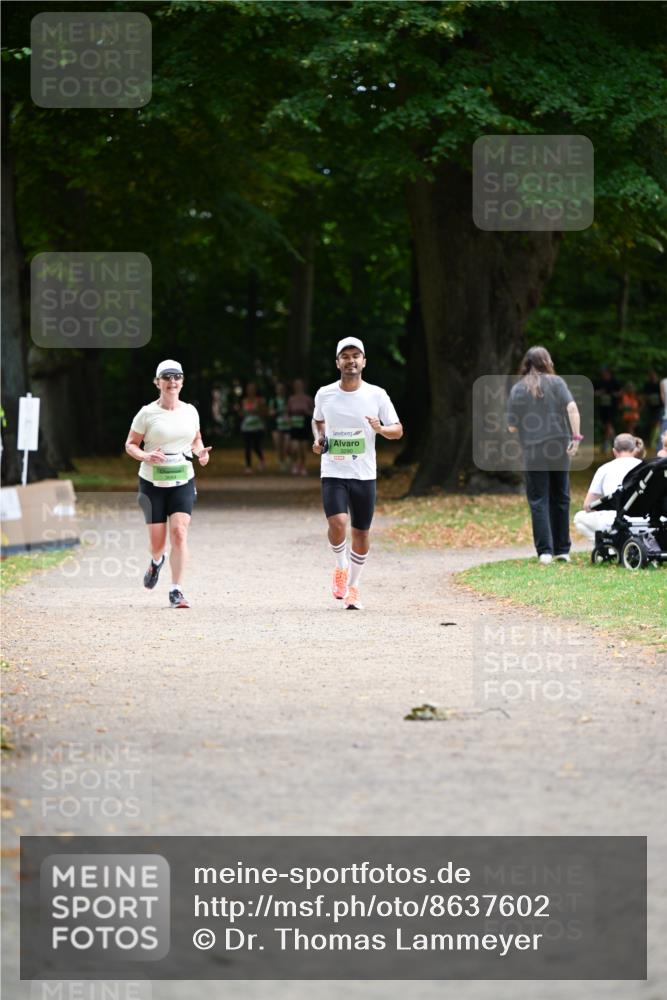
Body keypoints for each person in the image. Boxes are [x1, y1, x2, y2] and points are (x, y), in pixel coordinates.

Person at [312, 337, 403, 609]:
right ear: (337, 362)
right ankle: (340, 568)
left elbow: (397, 429)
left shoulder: (377, 394)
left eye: (356, 356)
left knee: (361, 533)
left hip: (364, 474)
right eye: (345, 356)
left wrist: (381, 429)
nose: (351, 360)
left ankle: (353, 587)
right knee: (337, 523)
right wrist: (318, 439)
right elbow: (318, 421)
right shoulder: (325, 393)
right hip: (333, 470)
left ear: (364, 361)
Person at [125, 359, 211, 609]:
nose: (172, 382)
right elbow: (130, 444)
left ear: (182, 382)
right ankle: (156, 560)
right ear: (157, 382)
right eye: (167, 377)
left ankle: (176, 590)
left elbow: (196, 440)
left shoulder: (190, 411)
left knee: (179, 533)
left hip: (182, 478)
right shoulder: (147, 413)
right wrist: (145, 455)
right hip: (152, 482)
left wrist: (200, 453)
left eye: (177, 377)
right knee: (157, 543)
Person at [507, 346, 581, 565]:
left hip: (533, 449)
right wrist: (576, 438)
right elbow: (572, 408)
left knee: (538, 499)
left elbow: (511, 427)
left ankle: (545, 552)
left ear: (526, 364)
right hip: (559, 444)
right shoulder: (557, 383)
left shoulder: (518, 389)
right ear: (547, 362)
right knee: (561, 496)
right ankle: (562, 550)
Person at [573, 433, 644, 542]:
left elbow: (587, 506)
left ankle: (606, 542)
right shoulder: (646, 468)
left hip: (612, 521)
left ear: (614, 451)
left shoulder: (604, 469)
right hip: (643, 522)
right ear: (635, 450)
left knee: (579, 518)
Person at [287, 378, 314, 476]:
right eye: (296, 385)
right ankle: (295, 464)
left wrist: (308, 413)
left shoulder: (307, 399)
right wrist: (288, 420)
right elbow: (288, 413)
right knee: (294, 447)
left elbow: (314, 412)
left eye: (299, 384)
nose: (298, 386)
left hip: (304, 424)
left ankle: (302, 466)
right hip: (294, 425)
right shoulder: (291, 399)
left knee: (303, 448)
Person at [238, 382, 266, 474]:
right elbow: (241, 414)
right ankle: (248, 466)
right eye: (249, 389)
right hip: (246, 427)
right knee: (247, 447)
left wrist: (256, 411)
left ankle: (262, 460)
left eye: (253, 389)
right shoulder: (244, 401)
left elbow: (264, 413)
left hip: (258, 427)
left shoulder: (260, 400)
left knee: (256, 446)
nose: (251, 391)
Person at [593, 367, 620, 454]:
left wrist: (614, 394)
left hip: (612, 407)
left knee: (609, 425)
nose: (604, 375)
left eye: (605, 373)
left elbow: (620, 392)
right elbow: (594, 392)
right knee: (608, 426)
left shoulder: (614, 381)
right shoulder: (600, 382)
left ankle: (607, 445)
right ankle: (616, 444)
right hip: (603, 407)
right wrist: (599, 393)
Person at [267, 380, 291, 472]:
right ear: (276, 390)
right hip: (276, 425)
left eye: (282, 389)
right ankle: (282, 463)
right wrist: (276, 412)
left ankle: (287, 457)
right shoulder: (272, 401)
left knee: (286, 445)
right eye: (278, 389)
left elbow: (291, 411)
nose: (280, 390)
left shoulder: (288, 400)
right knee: (278, 445)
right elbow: (270, 412)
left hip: (286, 425)